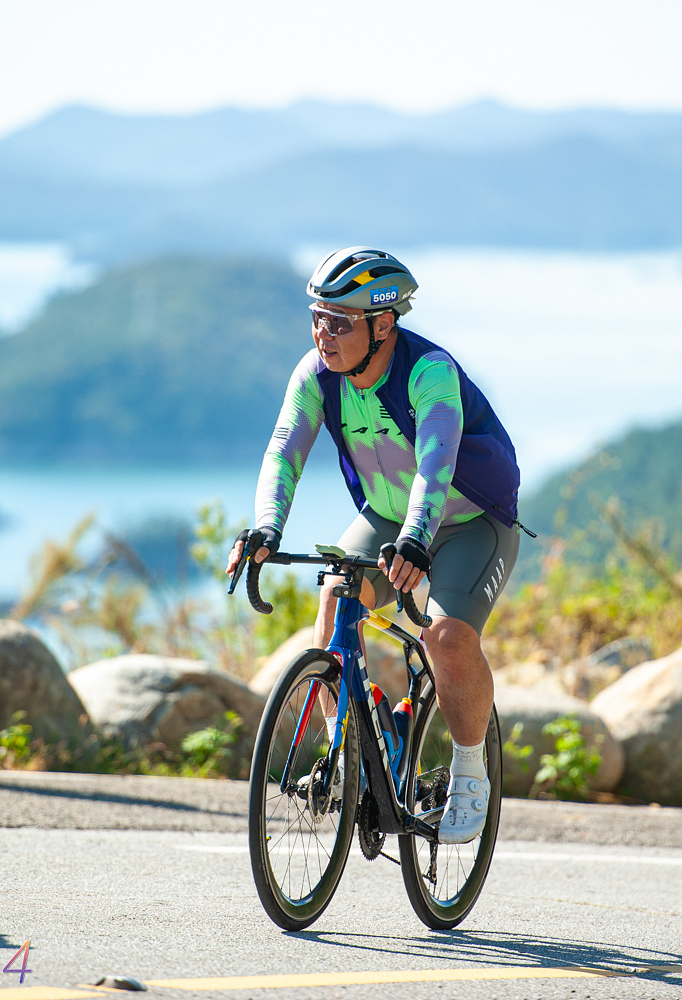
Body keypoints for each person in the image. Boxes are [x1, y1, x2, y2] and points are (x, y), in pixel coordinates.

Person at [227, 247, 526, 844]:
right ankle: (347, 751)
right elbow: (284, 449)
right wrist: (266, 527)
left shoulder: (428, 372)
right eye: (317, 317)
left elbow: (435, 467)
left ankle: (471, 773)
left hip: (472, 522)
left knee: (446, 637)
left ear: (383, 324)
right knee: (336, 596)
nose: (324, 333)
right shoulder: (316, 375)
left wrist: (417, 540)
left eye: (340, 322)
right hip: (389, 517)